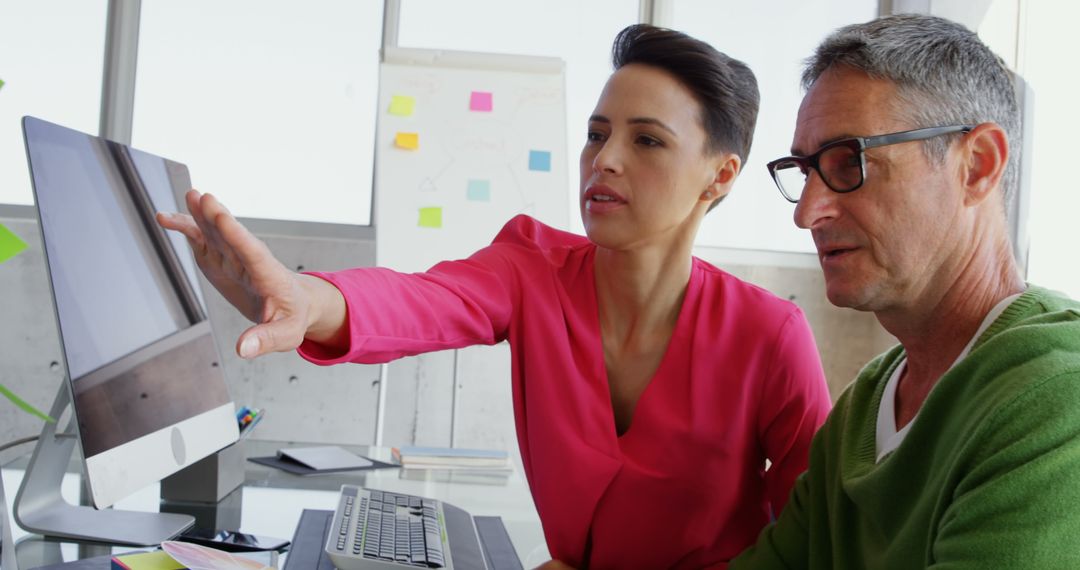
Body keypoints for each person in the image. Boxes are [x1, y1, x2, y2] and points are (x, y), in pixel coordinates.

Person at [160, 25, 831, 568]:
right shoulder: (530, 267)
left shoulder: (771, 335)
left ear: (719, 177)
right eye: (597, 133)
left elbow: (815, 538)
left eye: (646, 139)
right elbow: (422, 300)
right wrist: (308, 299)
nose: (605, 158)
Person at [732, 13, 1080, 568]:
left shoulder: (1056, 399)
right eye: (804, 171)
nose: (807, 213)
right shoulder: (863, 409)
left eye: (851, 163)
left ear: (977, 166)